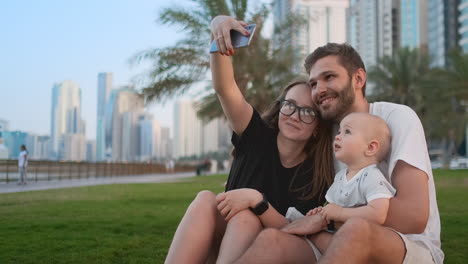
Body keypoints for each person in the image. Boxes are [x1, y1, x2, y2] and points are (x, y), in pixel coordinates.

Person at [222, 41, 443, 263]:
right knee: (271, 240)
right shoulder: (326, 140)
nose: (319, 89)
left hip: (407, 246)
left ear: (358, 79)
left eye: (329, 77)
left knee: (356, 230)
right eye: (314, 83)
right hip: (336, 239)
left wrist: (326, 218)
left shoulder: (396, 118)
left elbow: (413, 216)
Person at [164, 16, 335, 264]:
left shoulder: (317, 173)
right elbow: (225, 88)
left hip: (267, 249)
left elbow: (296, 229)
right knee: (204, 198)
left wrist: (257, 201)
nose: (295, 116)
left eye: (308, 112)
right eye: (290, 105)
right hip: (223, 236)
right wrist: (219, 31)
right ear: (279, 109)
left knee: (247, 217)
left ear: (318, 128)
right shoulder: (256, 134)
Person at [287, 112, 396, 256]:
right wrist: (322, 211)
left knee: (304, 237)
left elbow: (378, 214)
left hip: (358, 243)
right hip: (336, 236)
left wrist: (340, 213)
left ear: (370, 148)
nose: (338, 136)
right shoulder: (340, 177)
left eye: (347, 132)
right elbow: (331, 205)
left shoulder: (371, 176)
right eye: (339, 131)